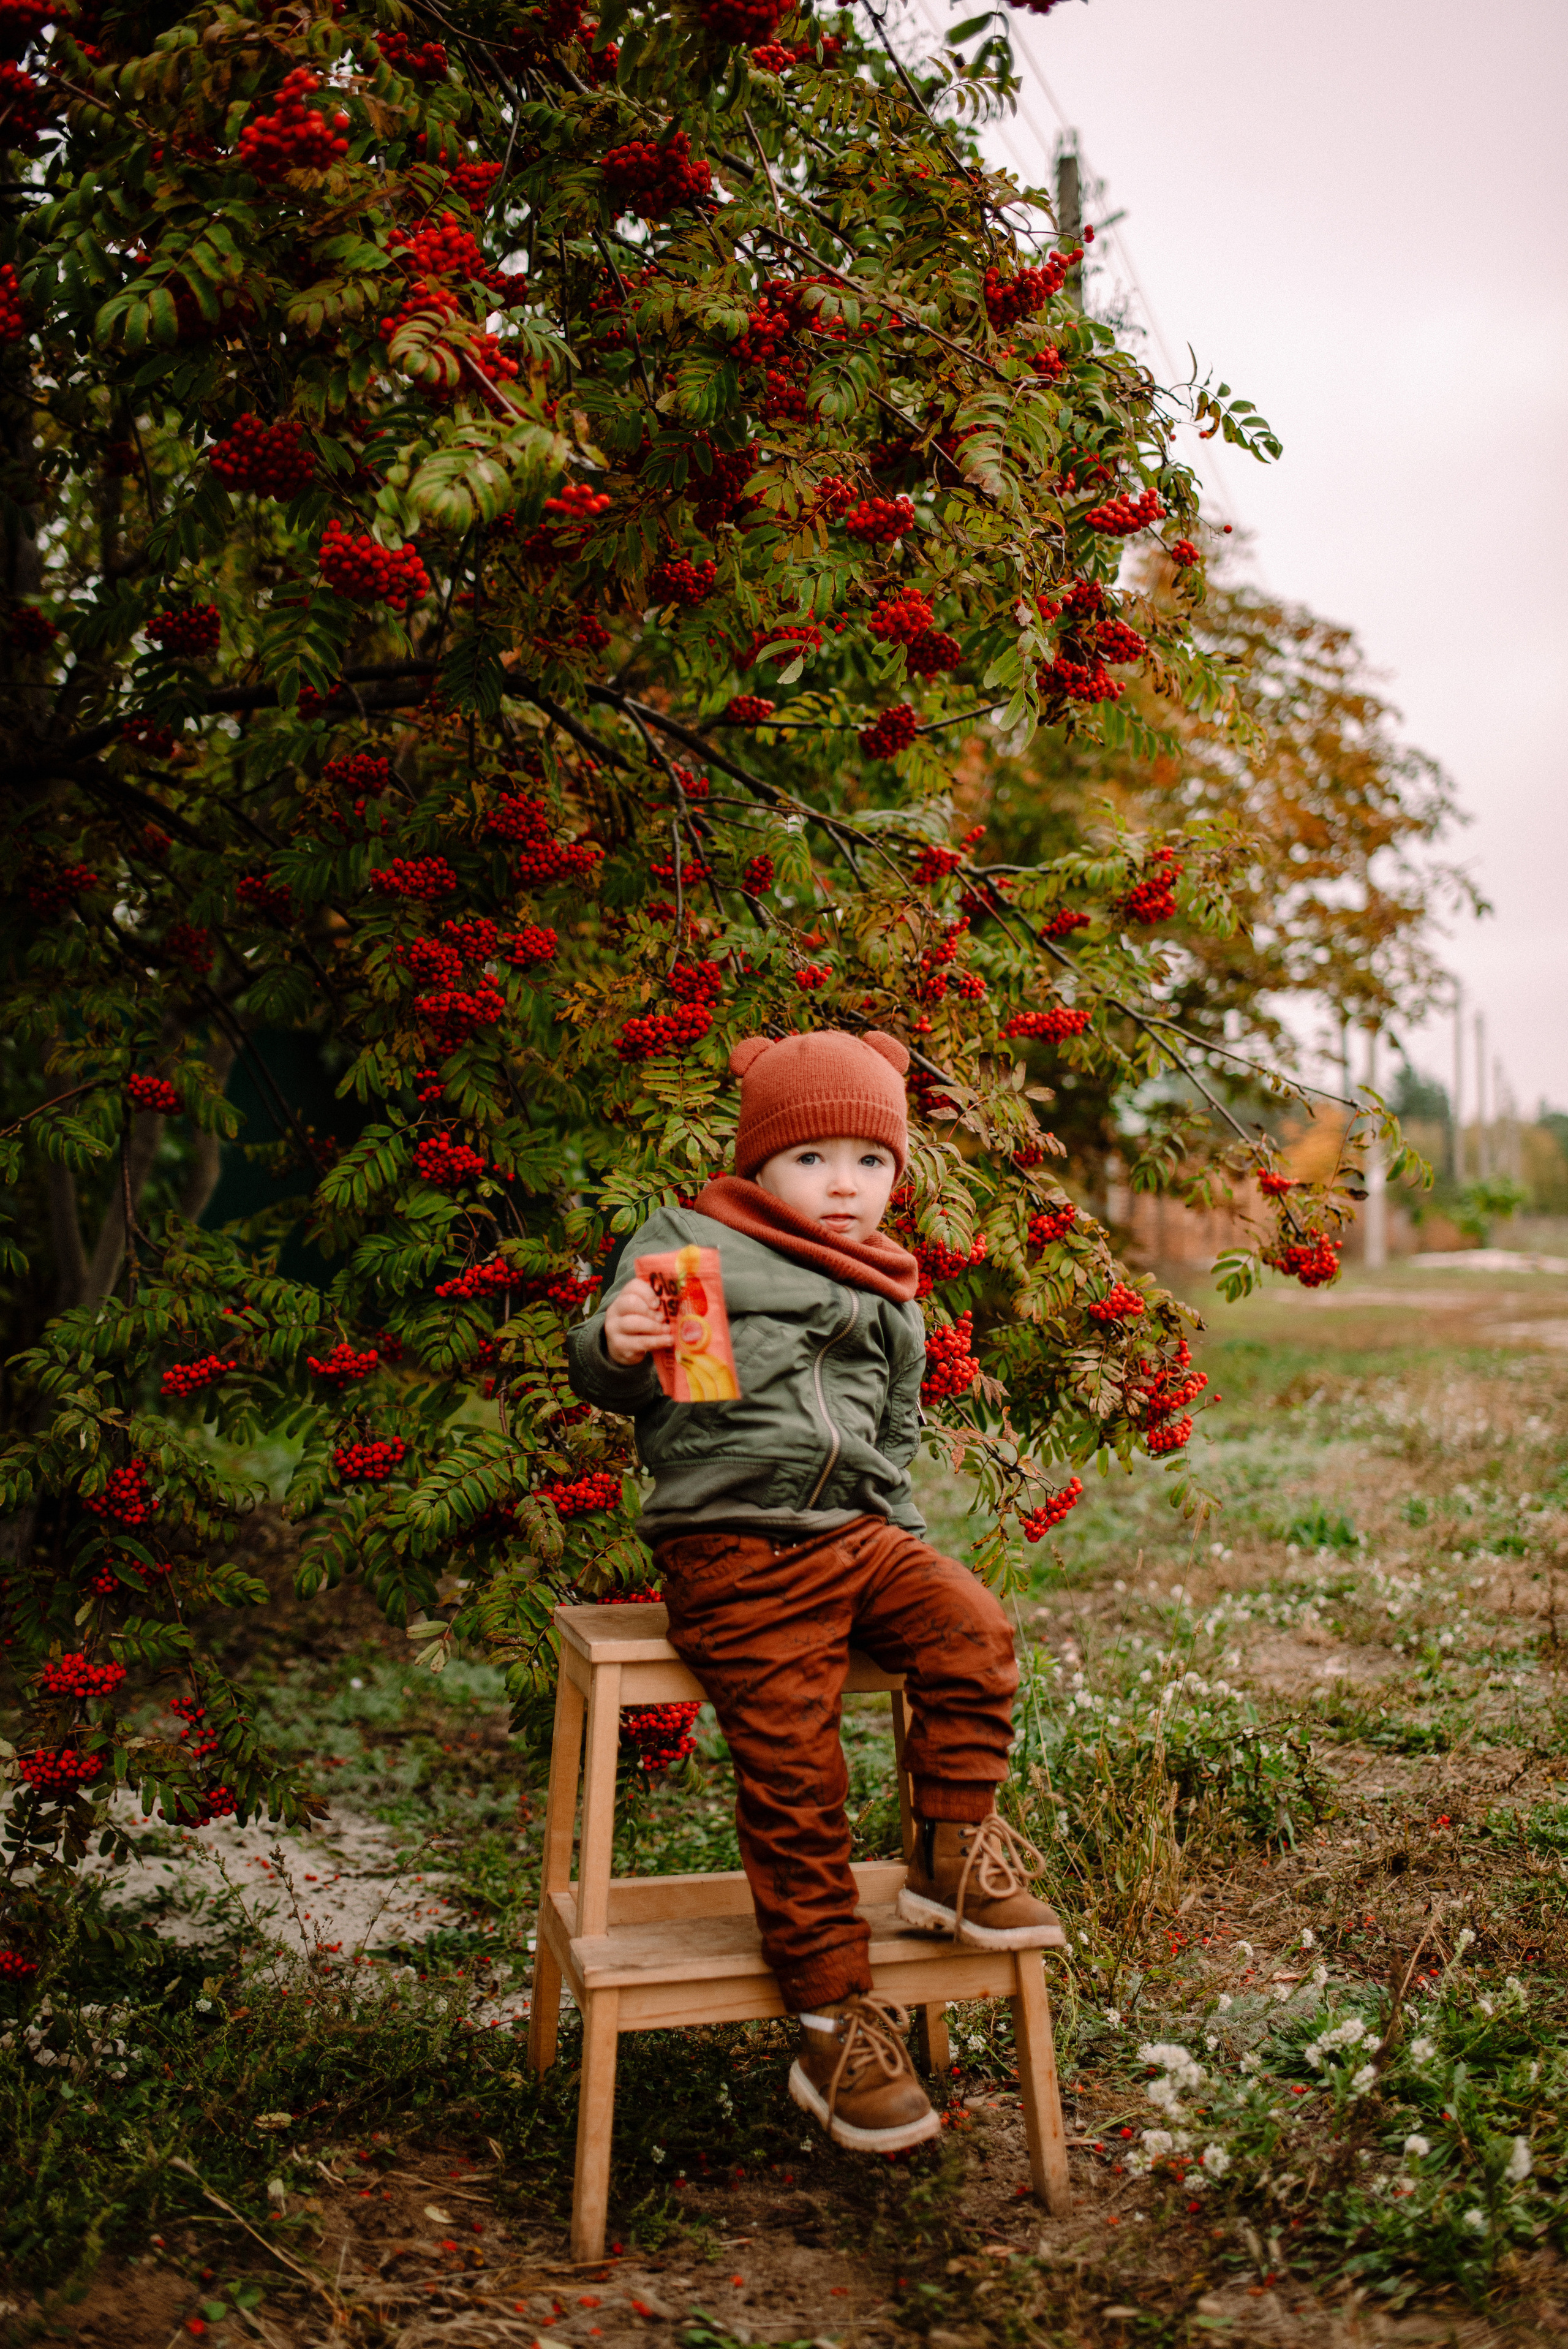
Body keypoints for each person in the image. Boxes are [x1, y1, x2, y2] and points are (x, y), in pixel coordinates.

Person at [566, 1029, 1063, 2152]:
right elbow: (654, 1389)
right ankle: (834, 2018)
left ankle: (951, 1853)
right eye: (814, 1159)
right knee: (798, 1771)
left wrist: (908, 1557)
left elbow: (889, 1443)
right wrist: (618, 1337)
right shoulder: (699, 1242)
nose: (846, 1184)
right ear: (759, 1165)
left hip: (857, 1532)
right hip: (736, 1547)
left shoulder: (892, 1285)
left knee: (974, 1625)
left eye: (871, 1162)